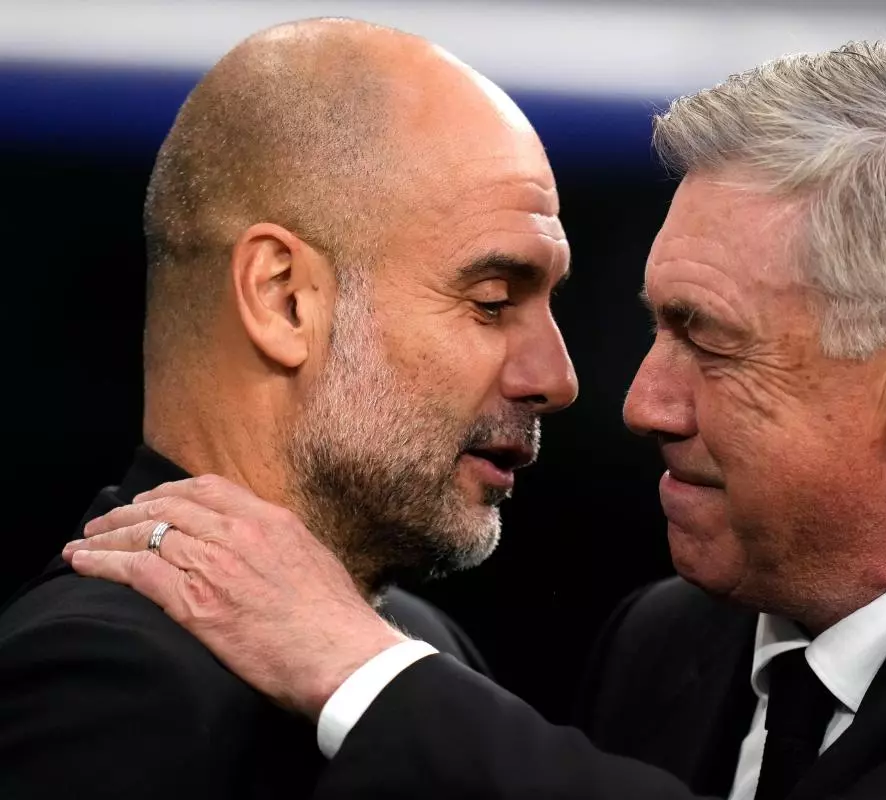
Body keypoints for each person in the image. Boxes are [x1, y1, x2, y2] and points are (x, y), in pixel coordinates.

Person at [68, 40, 886, 799]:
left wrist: (362, 669)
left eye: (709, 338)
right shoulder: (669, 642)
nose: (637, 400)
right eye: (656, 325)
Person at [0, 17, 576, 799]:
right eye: (493, 300)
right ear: (284, 300)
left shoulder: (415, 652)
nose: (558, 376)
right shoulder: (105, 678)